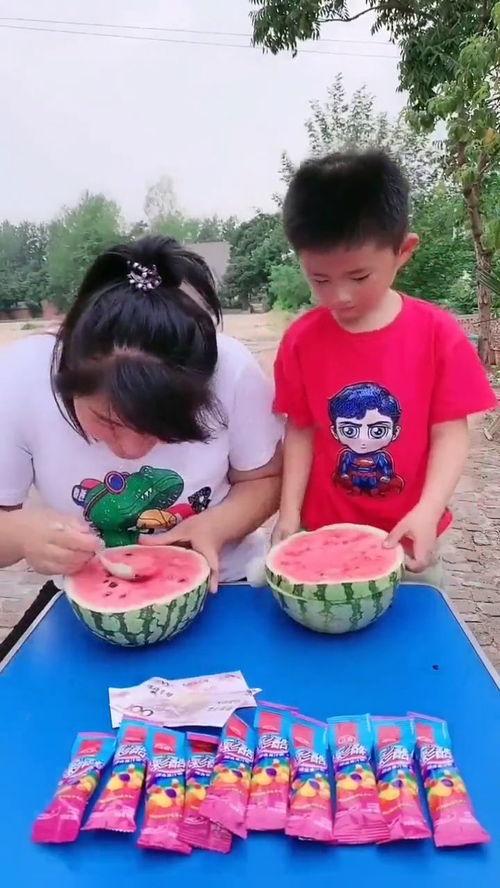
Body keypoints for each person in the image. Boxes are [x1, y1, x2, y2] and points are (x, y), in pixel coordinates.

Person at [0, 236, 283, 591]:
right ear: (67, 381)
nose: (131, 451)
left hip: (225, 584)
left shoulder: (230, 370)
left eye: (159, 428)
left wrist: (217, 527)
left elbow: (264, 477)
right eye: (108, 422)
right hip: (92, 594)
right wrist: (21, 534)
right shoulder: (19, 378)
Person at [272, 150, 496, 580]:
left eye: (359, 277)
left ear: (403, 251)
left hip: (408, 536)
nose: (339, 296)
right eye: (320, 279)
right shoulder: (300, 340)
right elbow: (300, 429)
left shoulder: (439, 335)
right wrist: (289, 514)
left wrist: (429, 510)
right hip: (323, 534)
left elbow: (450, 434)